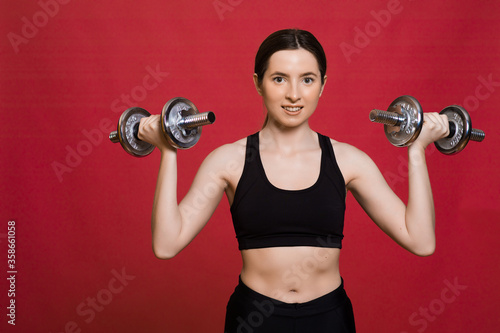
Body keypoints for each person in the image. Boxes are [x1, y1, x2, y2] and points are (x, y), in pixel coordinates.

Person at [138, 29, 449, 333]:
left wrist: (417, 149)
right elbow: (166, 245)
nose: (294, 94)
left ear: (323, 85)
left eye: (307, 80)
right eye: (279, 78)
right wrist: (169, 150)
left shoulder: (347, 160)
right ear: (258, 84)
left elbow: (420, 241)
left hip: (329, 318)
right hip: (253, 318)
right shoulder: (228, 160)